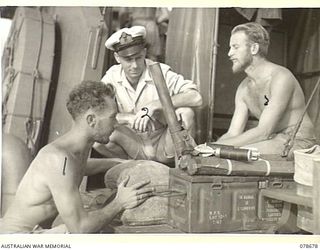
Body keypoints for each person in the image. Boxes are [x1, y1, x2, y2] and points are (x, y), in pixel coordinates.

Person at [0, 81, 154, 233]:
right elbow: (80, 229)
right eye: (112, 117)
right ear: (91, 120)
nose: (116, 124)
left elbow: (80, 166)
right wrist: (119, 203)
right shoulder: (57, 159)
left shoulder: (74, 151)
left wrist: (119, 162)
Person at [94, 26, 202, 164]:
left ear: (144, 52)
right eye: (128, 59)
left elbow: (196, 98)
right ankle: (132, 167)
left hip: (164, 143)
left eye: (138, 58)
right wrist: (127, 118)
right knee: (98, 139)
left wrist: (155, 105)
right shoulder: (111, 77)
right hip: (133, 144)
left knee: (186, 113)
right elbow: (98, 114)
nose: (134, 65)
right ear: (117, 57)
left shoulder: (160, 71)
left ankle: (182, 168)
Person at [216, 22, 316, 158]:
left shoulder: (280, 77)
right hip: (272, 139)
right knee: (225, 152)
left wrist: (216, 148)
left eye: (235, 47)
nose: (229, 53)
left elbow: (264, 131)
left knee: (240, 154)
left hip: (298, 141)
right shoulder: (243, 89)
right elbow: (233, 133)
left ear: (254, 48)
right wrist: (208, 148)